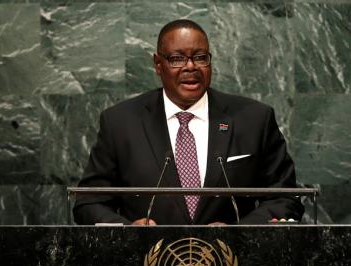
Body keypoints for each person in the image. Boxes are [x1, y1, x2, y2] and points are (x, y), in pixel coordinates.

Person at [73, 19, 304, 225]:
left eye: (200, 57)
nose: (190, 67)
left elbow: (285, 197)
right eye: (177, 58)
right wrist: (128, 231)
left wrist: (238, 232)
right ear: (157, 64)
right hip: (146, 263)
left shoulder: (254, 119)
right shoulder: (120, 123)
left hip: (233, 264)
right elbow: (90, 202)